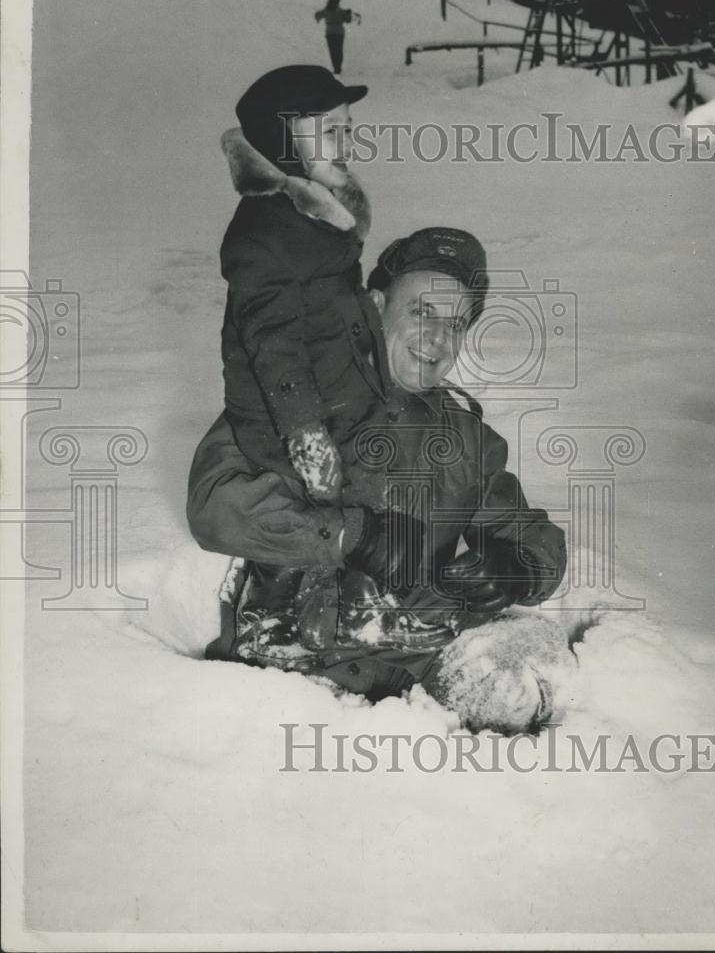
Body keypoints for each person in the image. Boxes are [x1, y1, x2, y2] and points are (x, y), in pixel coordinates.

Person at [188, 228, 570, 734]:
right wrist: (351, 535)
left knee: (527, 677)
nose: (438, 339)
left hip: (407, 659)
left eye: (456, 324)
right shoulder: (294, 399)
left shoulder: (465, 439)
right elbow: (215, 504)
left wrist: (518, 566)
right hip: (286, 661)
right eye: (422, 312)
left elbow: (532, 536)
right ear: (375, 305)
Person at [221, 64, 400, 509]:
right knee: (356, 520)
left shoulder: (320, 220)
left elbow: (327, 311)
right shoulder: (264, 237)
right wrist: (307, 438)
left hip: (343, 403)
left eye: (348, 129)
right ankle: (318, 562)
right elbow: (275, 348)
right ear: (283, 140)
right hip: (285, 430)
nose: (346, 143)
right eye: (329, 130)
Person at [315, 0, 360, 75]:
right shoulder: (340, 11)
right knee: (339, 50)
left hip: (330, 33)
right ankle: (338, 68)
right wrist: (348, 13)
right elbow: (348, 20)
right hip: (339, 33)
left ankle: (336, 67)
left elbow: (317, 17)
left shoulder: (326, 10)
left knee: (332, 51)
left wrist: (320, 12)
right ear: (337, 3)